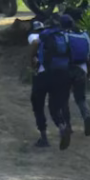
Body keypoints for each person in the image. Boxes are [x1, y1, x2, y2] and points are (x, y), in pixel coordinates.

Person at [28, 21, 73, 149]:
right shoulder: (62, 36)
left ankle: (44, 138)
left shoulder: (36, 36)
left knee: (38, 106)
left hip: (42, 75)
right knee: (54, 106)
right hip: (61, 75)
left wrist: (30, 60)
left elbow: (35, 43)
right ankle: (62, 126)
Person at [60, 14, 90, 137]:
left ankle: (68, 126)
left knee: (63, 99)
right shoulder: (85, 36)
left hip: (66, 70)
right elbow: (89, 55)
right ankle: (87, 116)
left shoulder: (62, 36)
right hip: (82, 70)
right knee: (81, 98)